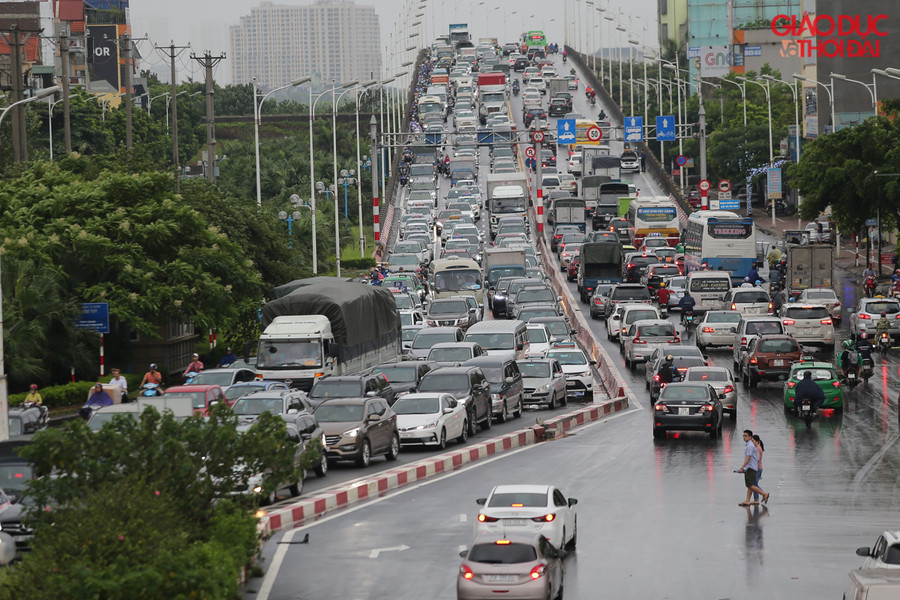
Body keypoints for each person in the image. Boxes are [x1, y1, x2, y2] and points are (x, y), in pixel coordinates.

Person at [737, 429, 769, 506]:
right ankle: (748, 500)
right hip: (751, 468)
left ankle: (764, 494)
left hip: (752, 468)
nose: (744, 437)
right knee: (750, 485)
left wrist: (742, 467)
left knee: (751, 485)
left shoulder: (750, 446)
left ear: (750, 437)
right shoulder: (750, 445)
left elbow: (749, 457)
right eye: (743, 435)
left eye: (746, 436)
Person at [751, 435, 765, 504]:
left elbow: (758, 459)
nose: (752, 442)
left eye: (753, 441)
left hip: (757, 468)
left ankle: (764, 494)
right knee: (754, 484)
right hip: (758, 468)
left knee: (754, 485)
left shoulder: (758, 449)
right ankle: (756, 499)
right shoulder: (758, 448)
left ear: (757, 441)